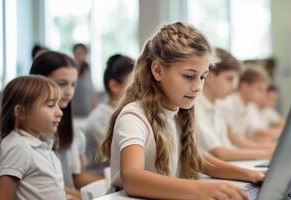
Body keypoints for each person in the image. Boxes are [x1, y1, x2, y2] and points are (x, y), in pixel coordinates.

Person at [99, 22, 264, 200]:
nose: (198, 87)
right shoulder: (134, 116)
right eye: (188, 76)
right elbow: (132, 178)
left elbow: (196, 159)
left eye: (202, 77)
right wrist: (200, 190)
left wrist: (250, 175)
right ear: (158, 70)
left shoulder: (179, 112)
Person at [30, 51, 102, 200]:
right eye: (61, 84)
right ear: (39, 82)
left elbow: (78, 177)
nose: (69, 92)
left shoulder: (74, 131)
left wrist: (114, 183)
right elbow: (47, 189)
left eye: (73, 84)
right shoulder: (31, 134)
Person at [195, 48, 274, 161]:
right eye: (229, 79)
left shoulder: (216, 105)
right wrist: (266, 152)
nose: (234, 86)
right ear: (209, 76)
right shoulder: (197, 106)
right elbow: (220, 153)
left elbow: (227, 146)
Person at [0, 75, 65, 199]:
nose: (60, 112)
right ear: (21, 112)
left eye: (58, 105)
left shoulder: (43, 146)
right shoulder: (18, 146)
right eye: (50, 105)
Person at [85, 54, 134, 175]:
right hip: (100, 182)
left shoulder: (129, 112)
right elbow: (125, 157)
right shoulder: (99, 119)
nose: (142, 91)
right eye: (134, 85)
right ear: (114, 86)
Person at [218, 68, 282, 142]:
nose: (263, 95)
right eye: (259, 89)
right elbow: (237, 141)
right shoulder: (227, 105)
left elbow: (248, 137)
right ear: (245, 86)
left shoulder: (249, 107)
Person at [71, 43, 95, 116]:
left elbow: (91, 88)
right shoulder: (70, 69)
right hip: (74, 111)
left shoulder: (87, 68)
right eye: (77, 53)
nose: (79, 56)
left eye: (81, 53)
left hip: (87, 110)